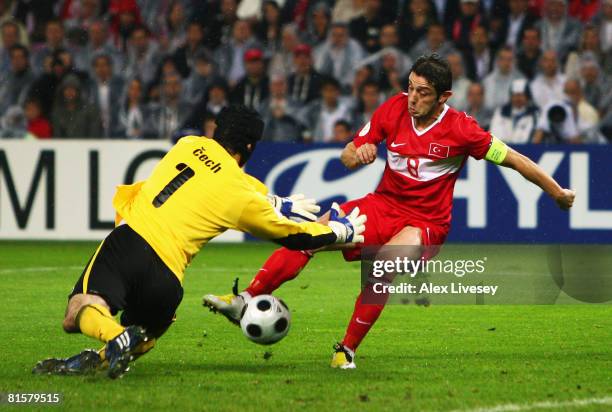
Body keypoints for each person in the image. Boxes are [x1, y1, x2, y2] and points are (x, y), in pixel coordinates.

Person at [203, 54, 575, 369]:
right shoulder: (393, 108)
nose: (412, 98)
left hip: (426, 223)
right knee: (311, 234)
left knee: (384, 265)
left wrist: (556, 192)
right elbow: (348, 154)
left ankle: (345, 351)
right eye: (410, 86)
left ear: (444, 97)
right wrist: (357, 154)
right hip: (381, 205)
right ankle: (244, 300)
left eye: (423, 92)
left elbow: (514, 160)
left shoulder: (463, 130)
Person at [33, 105, 366, 379]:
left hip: (131, 243)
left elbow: (213, 176)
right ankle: (100, 357)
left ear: (215, 130)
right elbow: (291, 236)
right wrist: (340, 232)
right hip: (167, 281)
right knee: (143, 337)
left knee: (79, 309)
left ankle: (114, 336)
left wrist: (273, 201)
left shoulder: (188, 145)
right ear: (250, 148)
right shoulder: (240, 196)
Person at [489, 79, 539, 144]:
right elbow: (494, 134)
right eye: (515, 95)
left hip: (525, 151)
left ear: (527, 97)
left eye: (521, 95)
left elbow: (533, 139)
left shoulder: (535, 115)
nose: (518, 98)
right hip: (502, 150)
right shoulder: (500, 112)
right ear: (511, 96)